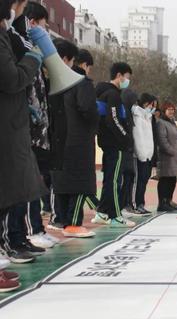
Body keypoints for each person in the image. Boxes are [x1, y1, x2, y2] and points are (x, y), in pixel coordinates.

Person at [0, 0, 50, 290]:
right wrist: (33, 58)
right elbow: (12, 79)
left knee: (11, 190)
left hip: (11, 125)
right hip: (6, 127)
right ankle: (14, 238)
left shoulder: (7, 35)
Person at [7, 0, 57, 251]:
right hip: (19, 124)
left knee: (31, 182)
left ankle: (24, 234)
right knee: (21, 184)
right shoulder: (15, 38)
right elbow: (15, 78)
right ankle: (21, 234)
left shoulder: (21, 40)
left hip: (33, 126)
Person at [50, 46, 99, 238]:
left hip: (58, 140)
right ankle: (73, 223)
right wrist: (96, 121)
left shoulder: (55, 82)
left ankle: (61, 220)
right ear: (83, 64)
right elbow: (87, 109)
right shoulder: (81, 83)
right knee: (80, 183)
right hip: (78, 141)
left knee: (62, 183)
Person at [92, 62, 135, 227]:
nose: (127, 81)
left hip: (107, 142)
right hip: (115, 144)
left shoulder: (102, 93)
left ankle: (102, 212)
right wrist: (125, 138)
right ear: (119, 75)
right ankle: (115, 215)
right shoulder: (113, 95)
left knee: (109, 178)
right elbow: (114, 119)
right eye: (127, 77)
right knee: (115, 180)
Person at [157, 102, 177, 211]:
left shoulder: (172, 122)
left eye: (173, 109)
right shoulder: (161, 123)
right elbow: (162, 140)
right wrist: (171, 151)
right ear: (163, 111)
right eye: (169, 109)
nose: (171, 111)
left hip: (174, 157)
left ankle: (169, 200)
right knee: (165, 180)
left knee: (172, 179)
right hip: (166, 157)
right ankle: (162, 203)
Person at [131, 93, 157, 214]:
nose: (154, 108)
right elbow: (138, 136)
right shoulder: (137, 116)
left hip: (147, 154)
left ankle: (141, 203)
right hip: (139, 155)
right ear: (146, 103)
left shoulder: (148, 117)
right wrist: (141, 153)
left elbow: (149, 137)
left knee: (144, 180)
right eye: (152, 105)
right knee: (138, 180)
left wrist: (149, 153)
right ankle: (135, 204)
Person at [120, 89, 139, 216]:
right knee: (124, 180)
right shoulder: (122, 112)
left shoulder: (130, 114)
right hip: (124, 151)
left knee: (130, 178)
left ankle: (127, 204)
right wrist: (127, 140)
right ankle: (122, 206)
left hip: (129, 150)